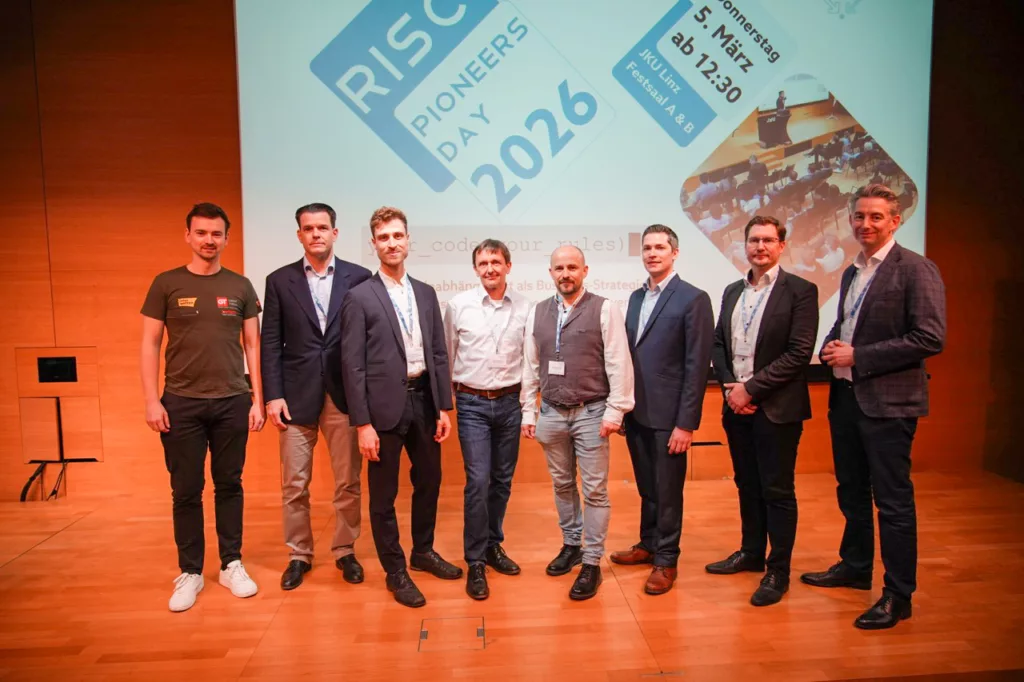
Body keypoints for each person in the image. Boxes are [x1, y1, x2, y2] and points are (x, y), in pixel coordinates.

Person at [802, 184, 946, 629]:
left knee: (892, 501)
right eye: (860, 216)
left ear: (895, 221)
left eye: (876, 217)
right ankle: (856, 565)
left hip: (888, 403)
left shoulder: (916, 268)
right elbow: (847, 325)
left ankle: (898, 595)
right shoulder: (853, 271)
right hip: (847, 398)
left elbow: (930, 337)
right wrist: (829, 347)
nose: (866, 224)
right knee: (851, 490)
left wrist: (859, 355)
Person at [140, 202, 265, 612]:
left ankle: (231, 564)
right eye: (201, 233)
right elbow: (150, 344)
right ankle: (190, 571)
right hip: (181, 403)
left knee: (230, 485)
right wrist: (152, 400)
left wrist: (258, 400)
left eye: (216, 234)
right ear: (188, 236)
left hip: (232, 401)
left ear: (226, 238)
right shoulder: (166, 283)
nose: (209, 240)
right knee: (186, 491)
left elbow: (252, 346)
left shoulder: (241, 286)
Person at [340, 206, 459, 608]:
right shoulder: (359, 297)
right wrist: (362, 424)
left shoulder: (425, 292)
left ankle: (422, 551)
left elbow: (438, 352)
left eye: (397, 236)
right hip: (382, 410)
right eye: (384, 237)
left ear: (408, 240)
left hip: (424, 400)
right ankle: (395, 570)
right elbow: (352, 365)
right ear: (373, 244)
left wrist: (443, 406)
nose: (392, 243)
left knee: (429, 481)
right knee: (384, 495)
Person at [707, 216, 818, 606]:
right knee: (747, 484)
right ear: (745, 245)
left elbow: (799, 353)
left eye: (768, 240)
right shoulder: (732, 291)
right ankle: (751, 552)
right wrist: (730, 386)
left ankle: (778, 570)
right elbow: (718, 343)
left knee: (777, 490)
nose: (760, 247)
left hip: (776, 408)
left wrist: (750, 389)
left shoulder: (800, 291)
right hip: (736, 406)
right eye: (754, 240)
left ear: (781, 246)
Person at [261, 203, 372, 591]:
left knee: (348, 482)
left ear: (335, 233)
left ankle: (344, 549)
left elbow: (366, 341)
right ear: (299, 235)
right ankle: (299, 554)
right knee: (294, 484)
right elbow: (270, 342)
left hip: (344, 395)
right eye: (308, 228)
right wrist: (273, 395)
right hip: (295, 397)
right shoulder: (279, 280)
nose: (316, 234)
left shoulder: (359, 278)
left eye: (322, 227)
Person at [521, 246, 634, 601]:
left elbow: (618, 361)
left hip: (591, 413)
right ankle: (571, 544)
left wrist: (616, 411)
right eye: (559, 268)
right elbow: (530, 365)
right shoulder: (537, 311)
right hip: (551, 413)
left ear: (585, 270)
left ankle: (591, 561)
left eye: (572, 267)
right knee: (562, 484)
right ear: (550, 273)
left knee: (595, 490)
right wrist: (528, 411)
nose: (565, 273)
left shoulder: (605, 308)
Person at [611, 225, 713, 595]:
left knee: (668, 491)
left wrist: (686, 423)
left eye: (660, 247)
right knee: (647, 486)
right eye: (647, 248)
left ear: (675, 253)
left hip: (670, 418)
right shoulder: (636, 297)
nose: (652, 253)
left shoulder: (693, 298)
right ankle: (649, 543)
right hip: (637, 413)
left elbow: (697, 366)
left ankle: (667, 559)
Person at [443, 239, 530, 600]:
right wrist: (444, 405)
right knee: (478, 481)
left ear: (508, 265)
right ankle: (475, 560)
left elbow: (530, 361)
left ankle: (494, 544)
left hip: (510, 403)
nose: (490, 268)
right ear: (476, 268)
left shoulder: (526, 307)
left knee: (502, 481)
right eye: (483, 263)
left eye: (496, 262)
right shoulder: (458, 305)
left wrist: (528, 406)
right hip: (472, 403)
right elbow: (447, 355)